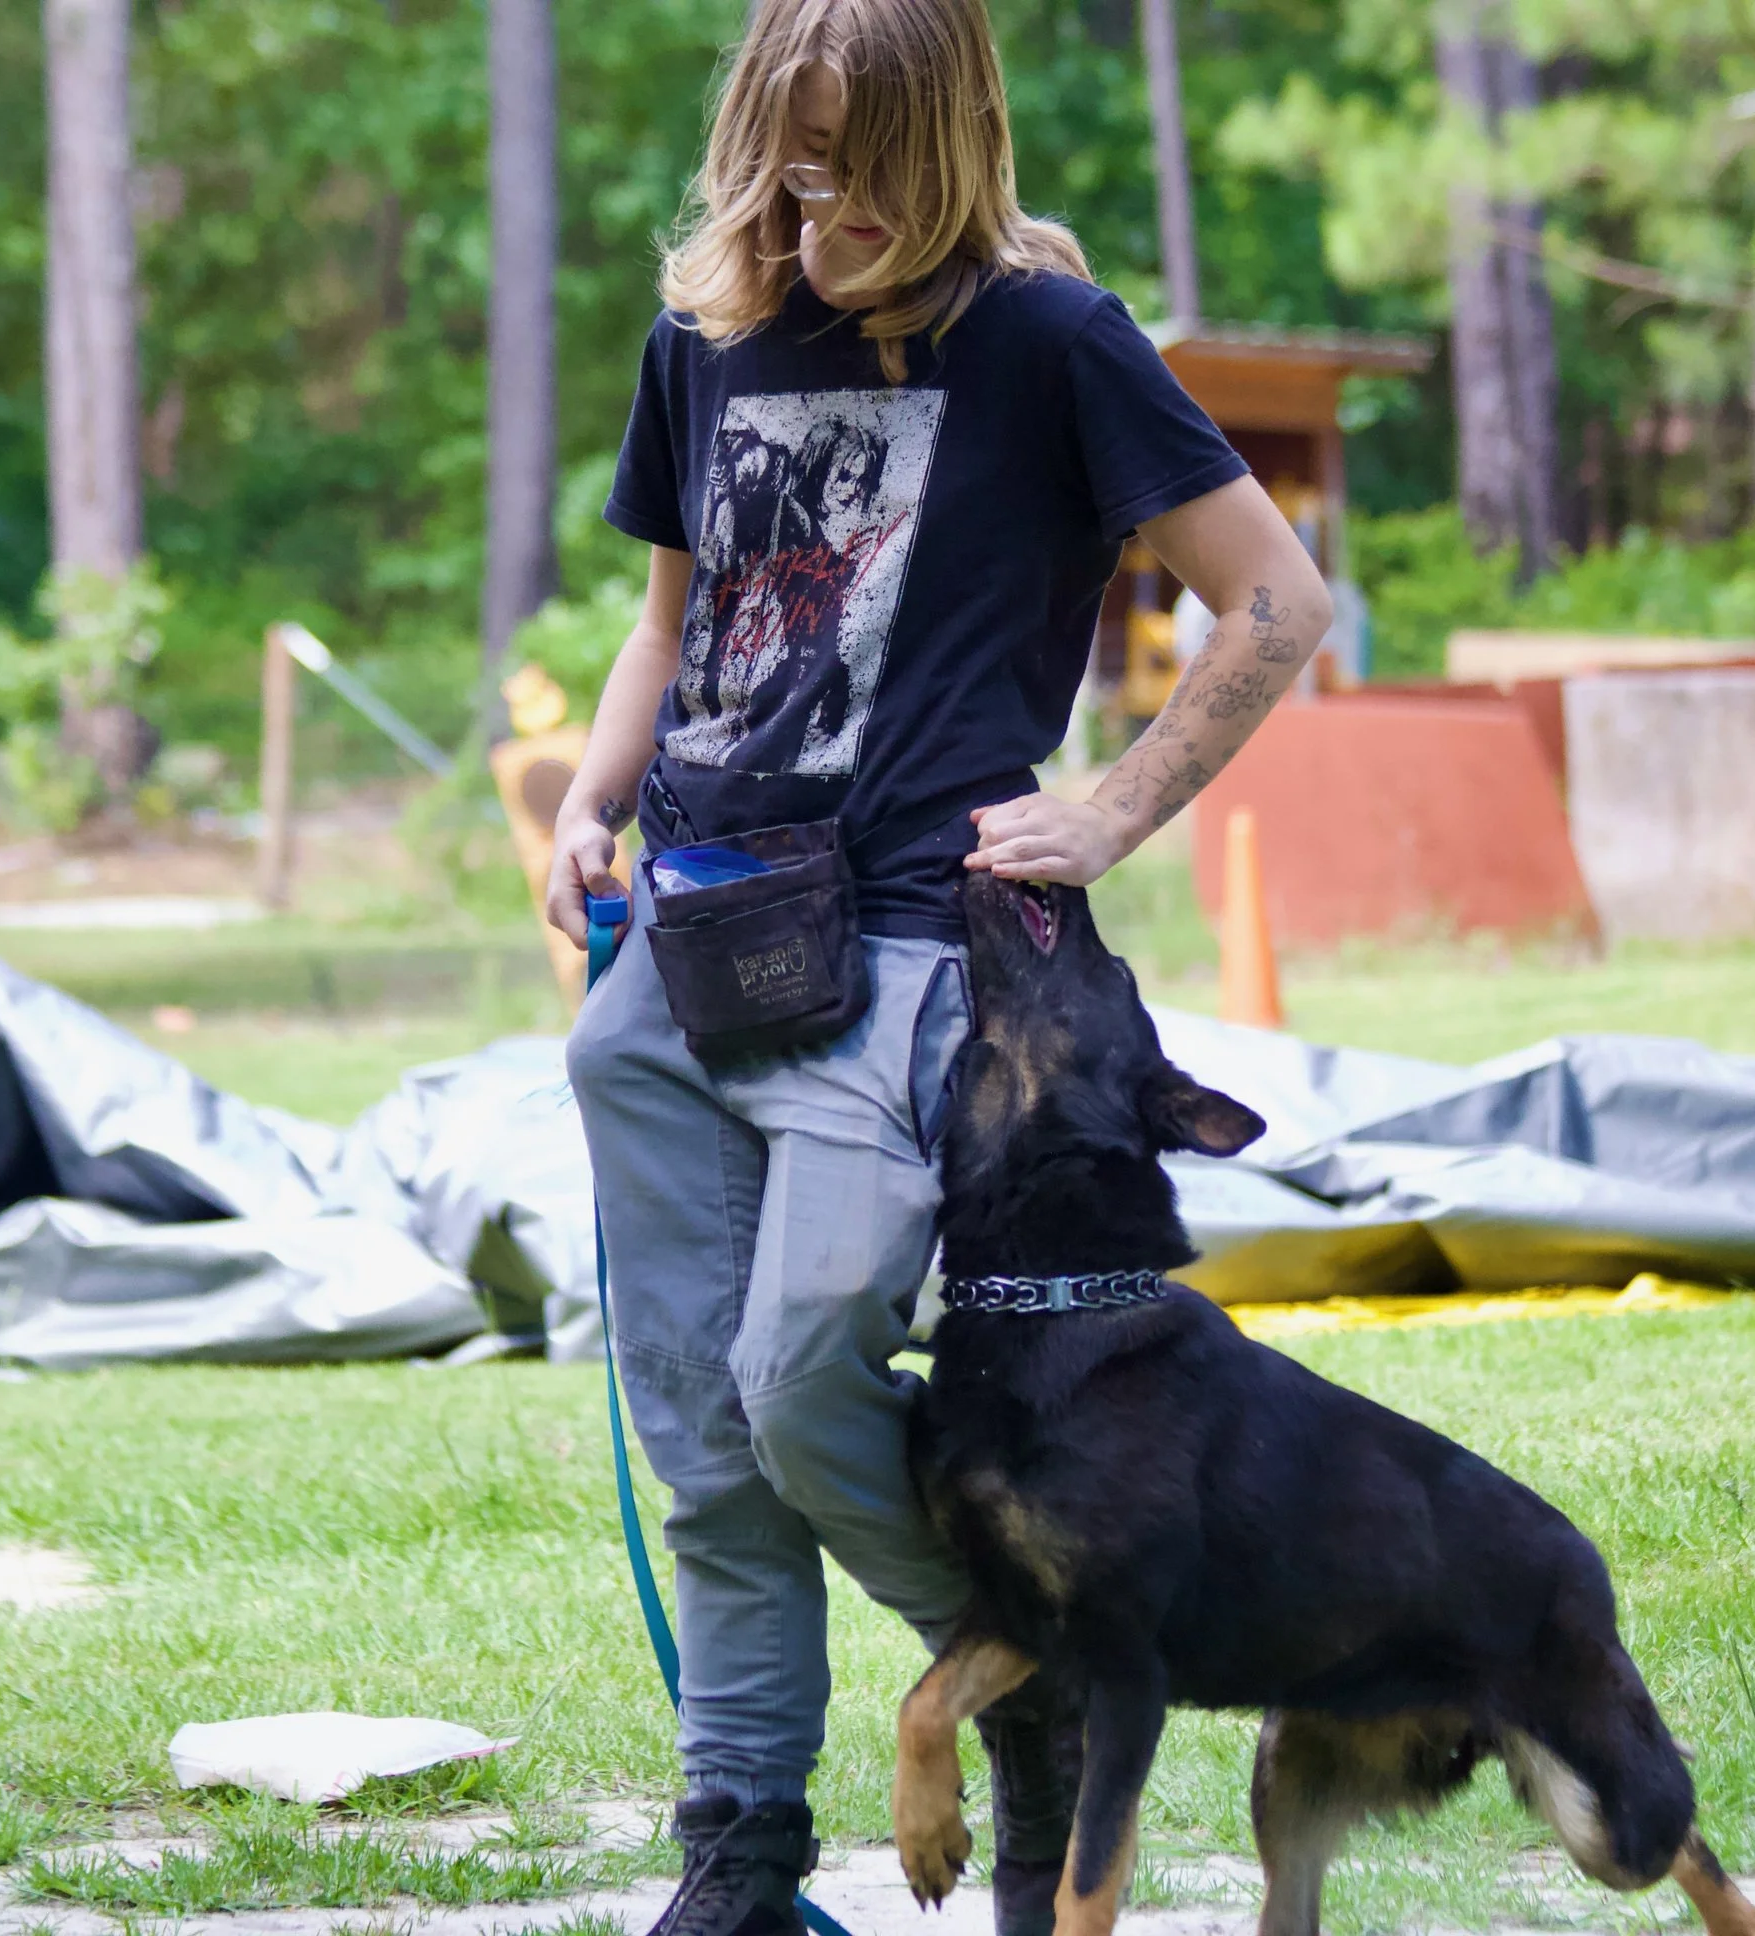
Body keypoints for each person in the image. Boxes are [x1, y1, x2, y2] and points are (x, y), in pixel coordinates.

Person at [550, 4, 1332, 1934]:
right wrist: (589, 797)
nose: (827, 201)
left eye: (865, 160)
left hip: (908, 950)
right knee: (696, 1439)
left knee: (800, 1366)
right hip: (685, 940)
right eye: (794, 158)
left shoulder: (1056, 343)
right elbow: (673, 623)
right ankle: (737, 1848)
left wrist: (1109, 811)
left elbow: (1276, 597)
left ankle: (1022, 1673)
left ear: (950, 133)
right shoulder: (708, 338)